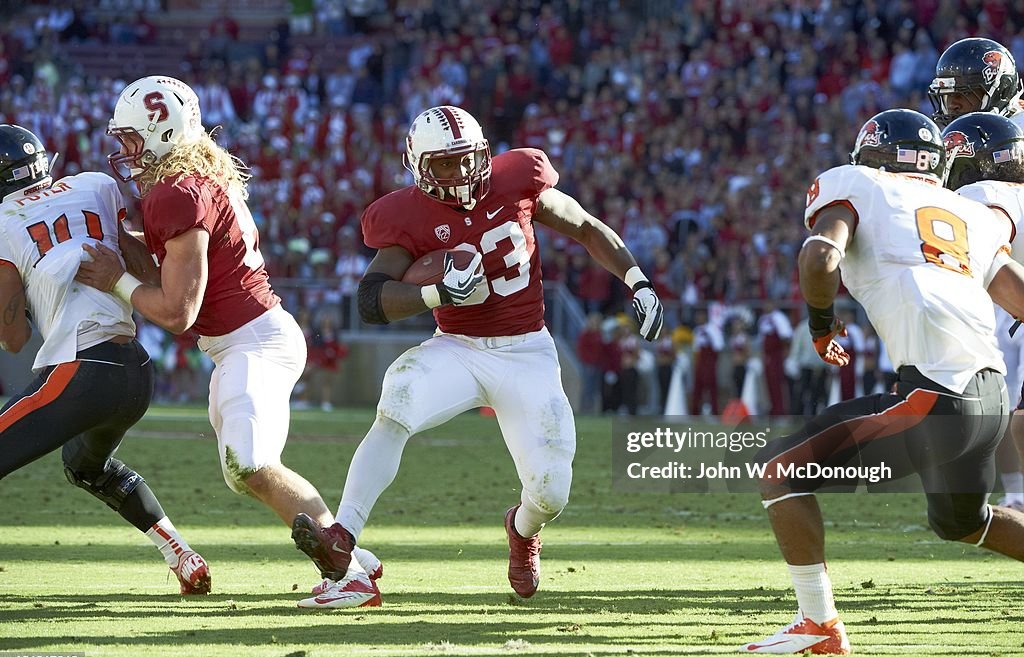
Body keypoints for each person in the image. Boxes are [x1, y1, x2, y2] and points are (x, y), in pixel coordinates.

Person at [289, 105, 664, 606]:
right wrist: (436, 293)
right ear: (418, 166)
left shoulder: (517, 179)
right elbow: (370, 299)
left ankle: (522, 528)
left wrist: (635, 279)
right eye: (445, 164)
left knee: (552, 492)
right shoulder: (406, 214)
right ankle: (344, 536)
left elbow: (586, 227)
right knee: (398, 399)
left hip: (527, 351)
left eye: (468, 160)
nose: (461, 173)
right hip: (458, 348)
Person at [73, 75, 381, 606]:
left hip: (252, 342)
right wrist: (125, 242)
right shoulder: (187, 180)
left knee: (251, 463)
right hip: (241, 343)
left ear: (161, 133)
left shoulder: (178, 191)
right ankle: (358, 558)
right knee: (243, 472)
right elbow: (168, 277)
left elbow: (176, 309)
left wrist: (115, 278)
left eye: (131, 138)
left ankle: (347, 571)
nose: (123, 151)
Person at [742, 109, 1024, 655]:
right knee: (964, 521)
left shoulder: (857, 184)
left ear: (871, 154)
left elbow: (820, 254)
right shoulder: (971, 212)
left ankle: (818, 625)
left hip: (937, 394)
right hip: (992, 396)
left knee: (781, 472)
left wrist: (822, 327)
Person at [0, 123, 210, 594]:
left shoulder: (3, 220)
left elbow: (12, 338)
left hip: (83, 371)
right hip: (134, 370)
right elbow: (138, 263)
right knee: (86, 466)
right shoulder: (96, 184)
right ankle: (180, 554)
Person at [929, 38, 1024, 510]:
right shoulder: (959, 138)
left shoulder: (1017, 132)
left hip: (1003, 262)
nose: (952, 106)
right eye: (947, 96)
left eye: (962, 95)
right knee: (1001, 395)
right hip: (991, 272)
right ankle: (1018, 495)